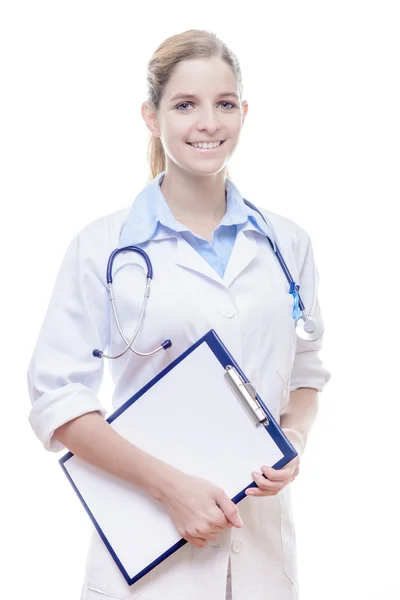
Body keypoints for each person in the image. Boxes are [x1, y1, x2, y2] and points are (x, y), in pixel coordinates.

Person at [27, 28, 331, 600]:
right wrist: (170, 488)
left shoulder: (288, 243)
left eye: (223, 104)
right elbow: (58, 403)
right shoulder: (102, 248)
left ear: (244, 112)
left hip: (263, 559)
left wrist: (290, 442)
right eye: (185, 105)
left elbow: (307, 375)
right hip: (151, 562)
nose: (208, 123)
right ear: (151, 115)